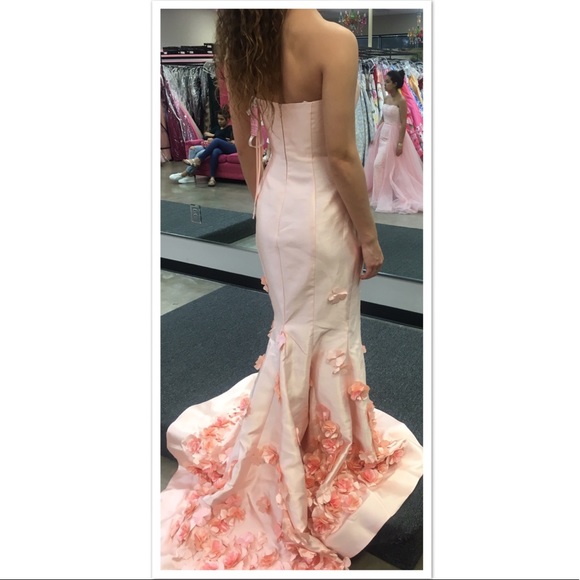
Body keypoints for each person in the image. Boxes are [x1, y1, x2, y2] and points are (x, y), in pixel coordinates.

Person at [160, 10, 423, 570]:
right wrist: (370, 237)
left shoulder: (244, 38)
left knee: (292, 328)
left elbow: (246, 139)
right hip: (321, 209)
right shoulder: (333, 40)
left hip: (276, 202)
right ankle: (318, 440)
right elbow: (339, 154)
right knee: (325, 329)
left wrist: (264, 201)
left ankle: (299, 432)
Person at [364, 69, 423, 214]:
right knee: (383, 165)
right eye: (385, 81)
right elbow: (383, 117)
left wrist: (400, 143)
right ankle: (379, 194)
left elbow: (403, 123)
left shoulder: (401, 101)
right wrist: (376, 134)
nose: (384, 84)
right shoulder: (386, 98)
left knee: (379, 164)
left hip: (394, 135)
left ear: (395, 84)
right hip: (383, 133)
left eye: (388, 82)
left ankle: (381, 196)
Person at [169, 108, 235, 186]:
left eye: (222, 119)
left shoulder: (230, 128)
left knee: (210, 150)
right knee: (192, 149)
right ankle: (190, 176)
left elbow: (230, 141)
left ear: (227, 120)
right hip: (210, 146)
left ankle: (187, 171)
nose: (219, 121)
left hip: (220, 147)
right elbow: (205, 134)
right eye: (218, 119)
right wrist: (213, 137)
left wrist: (214, 138)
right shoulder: (217, 128)